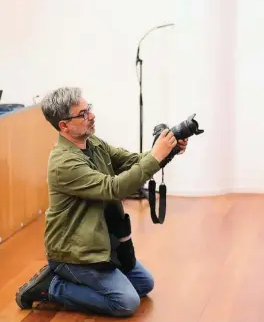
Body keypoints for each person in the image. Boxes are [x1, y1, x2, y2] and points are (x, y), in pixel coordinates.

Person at [15, 87, 189, 316]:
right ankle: (53, 287)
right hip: (74, 253)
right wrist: (157, 155)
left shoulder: (94, 143)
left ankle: (76, 281)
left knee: (144, 284)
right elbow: (113, 189)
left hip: (102, 244)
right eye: (83, 114)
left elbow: (133, 162)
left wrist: (169, 150)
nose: (92, 115)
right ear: (63, 126)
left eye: (89, 109)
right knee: (125, 302)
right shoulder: (64, 164)